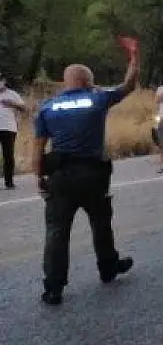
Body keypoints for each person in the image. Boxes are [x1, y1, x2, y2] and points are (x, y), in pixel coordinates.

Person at [31, 55, 140, 306]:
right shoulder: (97, 99)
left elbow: (37, 149)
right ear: (87, 81)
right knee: (101, 223)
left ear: (66, 82)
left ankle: (54, 288)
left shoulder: (48, 107)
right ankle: (108, 266)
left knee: (57, 232)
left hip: (60, 177)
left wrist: (39, 177)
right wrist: (133, 59)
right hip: (93, 176)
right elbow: (128, 86)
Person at [0, 73, 27, 189]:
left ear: (4, 81)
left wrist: (12, 104)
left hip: (9, 128)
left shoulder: (12, 94)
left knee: (8, 155)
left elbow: (24, 108)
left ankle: (9, 182)